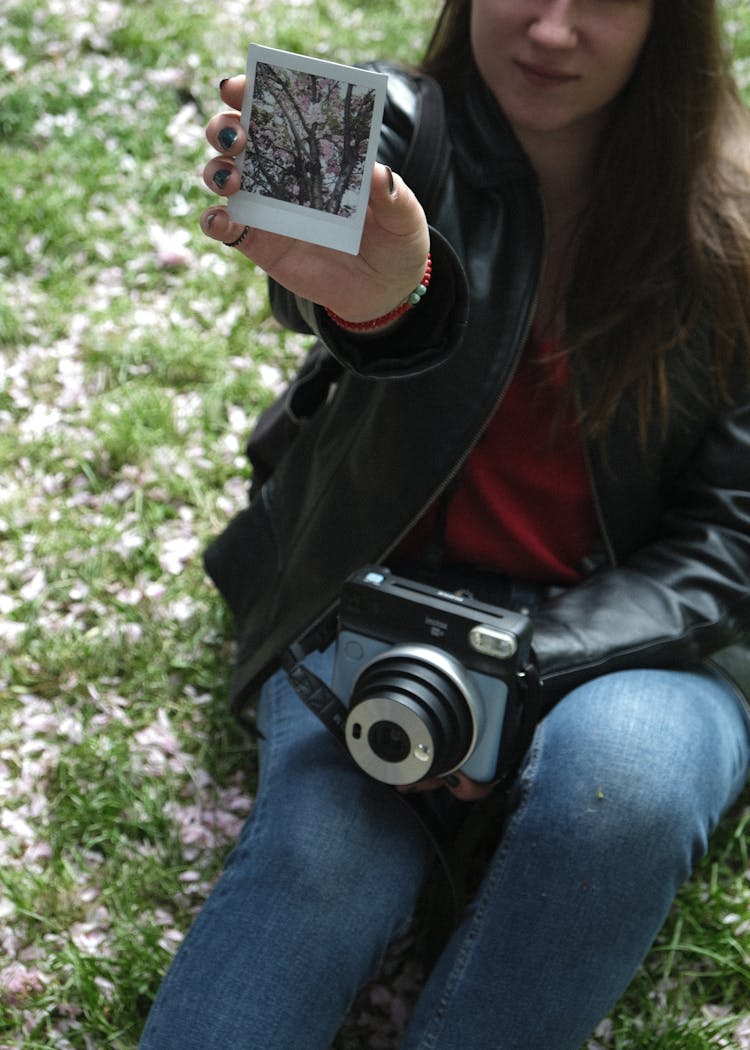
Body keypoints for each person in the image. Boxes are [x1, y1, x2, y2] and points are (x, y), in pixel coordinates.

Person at [139, 0, 750, 1046]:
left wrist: (516, 666)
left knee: (627, 781)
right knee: (325, 856)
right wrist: (385, 298)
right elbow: (323, 229)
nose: (550, 32)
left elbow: (727, 545)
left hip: (635, 646)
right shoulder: (390, 123)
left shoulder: (735, 222)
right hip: (382, 600)